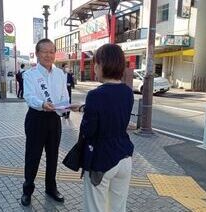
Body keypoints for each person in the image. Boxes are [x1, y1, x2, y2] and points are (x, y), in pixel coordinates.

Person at [70, 44, 134, 212]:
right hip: (124, 156)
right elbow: (112, 111)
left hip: (101, 160)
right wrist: (85, 108)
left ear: (102, 65)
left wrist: (86, 114)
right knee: (118, 207)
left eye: (95, 64)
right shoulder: (127, 92)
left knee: (95, 208)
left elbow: (89, 130)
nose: (94, 69)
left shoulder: (95, 95)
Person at [21, 38, 69, 206]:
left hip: (54, 118)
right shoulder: (30, 75)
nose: (48, 55)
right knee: (33, 156)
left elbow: (64, 96)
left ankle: (51, 188)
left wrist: (64, 108)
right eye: (44, 52)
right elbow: (29, 96)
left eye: (51, 52)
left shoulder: (60, 74)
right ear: (37, 54)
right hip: (36, 118)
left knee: (53, 155)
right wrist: (42, 104)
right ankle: (27, 190)